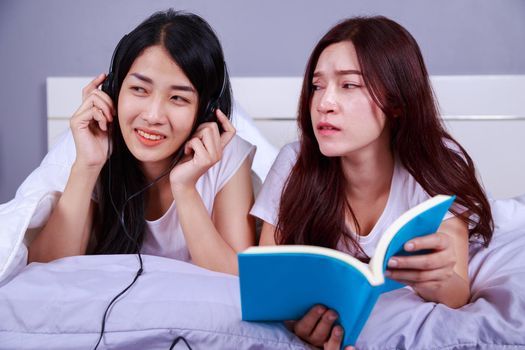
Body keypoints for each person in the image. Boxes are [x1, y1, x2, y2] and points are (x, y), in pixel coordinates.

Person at [251, 16, 493, 349]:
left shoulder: (435, 165)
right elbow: (270, 288)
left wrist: (436, 280)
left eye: (348, 85)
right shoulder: (294, 164)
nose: (324, 104)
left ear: (395, 101)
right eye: (317, 86)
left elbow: (457, 292)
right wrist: (297, 325)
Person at [28, 10, 255, 275]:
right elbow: (42, 271)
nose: (153, 116)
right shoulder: (86, 142)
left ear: (205, 110)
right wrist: (88, 166)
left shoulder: (227, 155)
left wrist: (185, 187)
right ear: (113, 90)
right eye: (139, 89)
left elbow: (238, 279)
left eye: (178, 98)